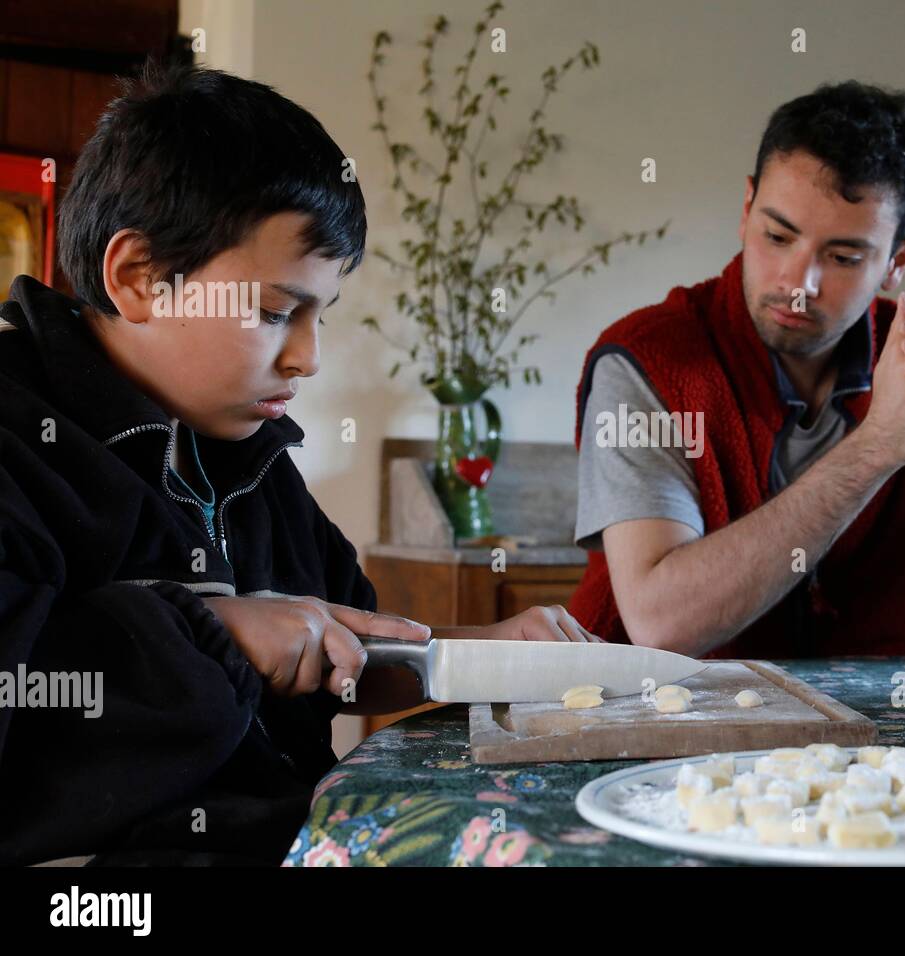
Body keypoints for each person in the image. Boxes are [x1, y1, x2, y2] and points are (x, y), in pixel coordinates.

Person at [0, 64, 593, 867]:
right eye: (275, 313)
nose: (308, 357)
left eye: (319, 315)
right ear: (138, 277)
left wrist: (477, 653)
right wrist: (213, 633)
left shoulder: (246, 449)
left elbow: (341, 653)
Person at [569, 81, 905, 661]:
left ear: (898, 260)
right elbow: (663, 626)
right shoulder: (645, 361)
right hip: (667, 722)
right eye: (777, 235)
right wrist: (877, 447)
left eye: (843, 257)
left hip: (886, 733)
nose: (798, 283)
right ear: (745, 211)